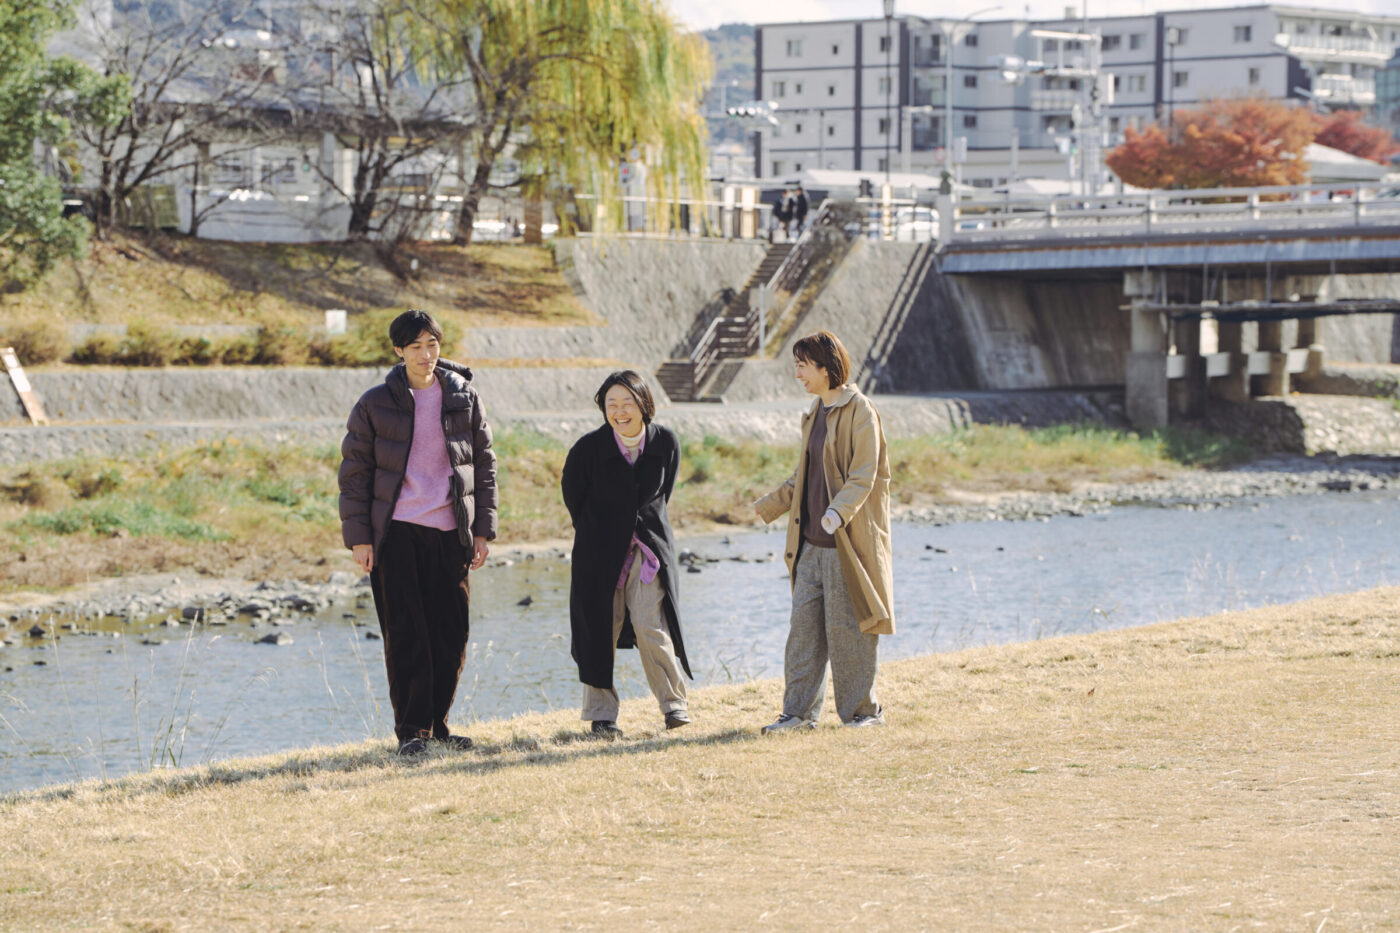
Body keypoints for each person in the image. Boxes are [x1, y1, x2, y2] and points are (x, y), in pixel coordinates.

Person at [338, 309, 497, 756]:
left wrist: (482, 530)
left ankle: (438, 725)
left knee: (451, 633)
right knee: (407, 634)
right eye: (416, 347)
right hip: (397, 533)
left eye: (433, 345)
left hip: (451, 532)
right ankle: (412, 731)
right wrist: (360, 539)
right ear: (398, 351)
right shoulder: (374, 403)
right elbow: (355, 474)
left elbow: (484, 465)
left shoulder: (463, 397)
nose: (426, 355)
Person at [754, 330, 893, 732]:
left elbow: (864, 474)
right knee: (803, 634)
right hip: (810, 546)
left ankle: (864, 714)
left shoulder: (860, 410)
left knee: (849, 634)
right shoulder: (815, 410)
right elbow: (806, 474)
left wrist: (836, 513)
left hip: (846, 545)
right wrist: (769, 505)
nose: (797, 374)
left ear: (825, 367)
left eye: (802, 365)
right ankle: (797, 715)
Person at [561, 370, 692, 738]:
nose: (619, 411)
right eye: (611, 404)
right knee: (600, 628)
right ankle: (602, 716)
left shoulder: (665, 441)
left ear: (644, 404)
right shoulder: (587, 449)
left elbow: (662, 494)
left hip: (648, 552)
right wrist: (603, 533)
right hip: (598, 554)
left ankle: (674, 705)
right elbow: (574, 499)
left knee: (651, 624)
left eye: (627, 403)